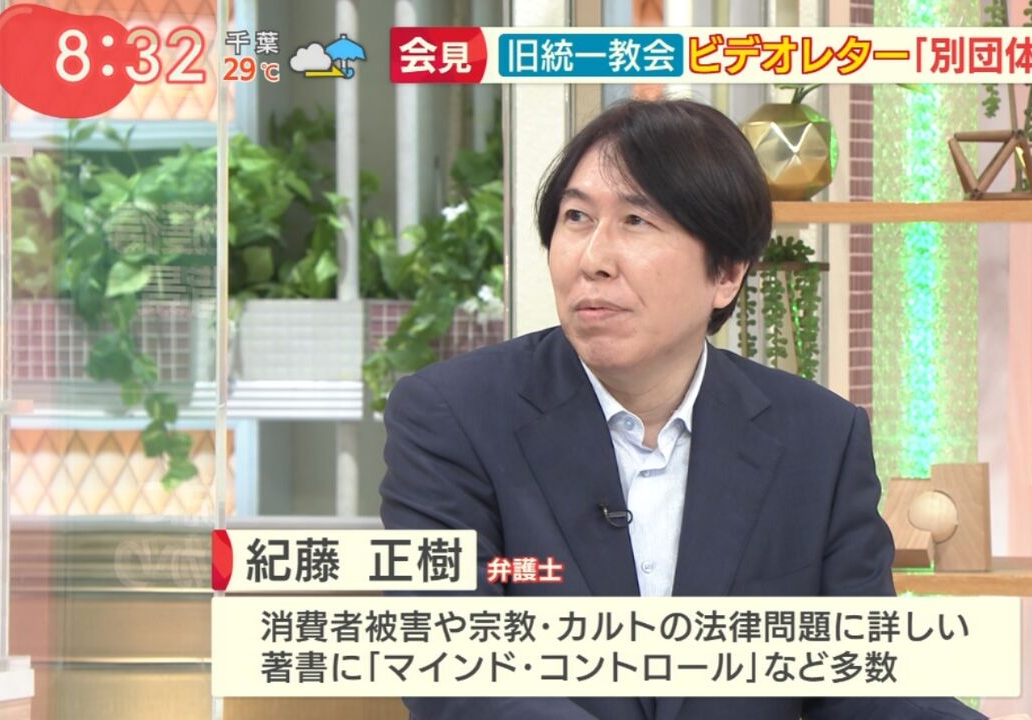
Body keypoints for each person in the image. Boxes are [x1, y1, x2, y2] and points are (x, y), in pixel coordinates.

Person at [380, 98, 990, 719]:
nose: (593, 259)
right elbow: (456, 663)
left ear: (726, 273)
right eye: (576, 217)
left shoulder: (819, 439)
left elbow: (868, 677)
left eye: (637, 221)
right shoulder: (453, 416)